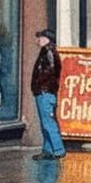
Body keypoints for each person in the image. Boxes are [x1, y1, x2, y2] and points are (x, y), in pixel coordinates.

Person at [31, 28, 65, 160]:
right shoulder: (46, 51)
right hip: (44, 92)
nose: (38, 40)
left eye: (40, 37)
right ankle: (48, 150)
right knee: (46, 123)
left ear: (47, 39)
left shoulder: (48, 52)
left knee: (48, 123)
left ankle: (58, 149)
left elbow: (49, 72)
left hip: (45, 92)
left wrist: (39, 84)